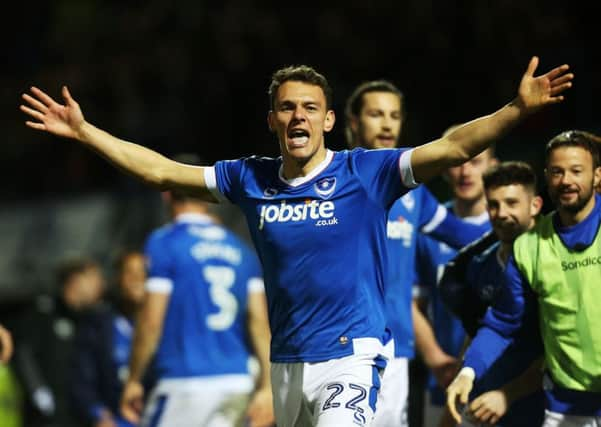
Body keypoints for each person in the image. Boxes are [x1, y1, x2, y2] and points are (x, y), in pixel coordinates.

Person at [21, 56, 572, 426]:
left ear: (330, 119)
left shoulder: (366, 172)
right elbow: (162, 172)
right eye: (287, 107)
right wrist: (86, 132)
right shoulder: (251, 178)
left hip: (351, 358)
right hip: (286, 362)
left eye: (309, 107)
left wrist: (516, 111)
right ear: (272, 120)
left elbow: (451, 147)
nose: (298, 116)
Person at [344, 80, 489, 427]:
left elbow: (464, 235)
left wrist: (530, 230)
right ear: (352, 122)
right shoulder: (334, 179)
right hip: (342, 347)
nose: (387, 124)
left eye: (394, 115)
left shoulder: (412, 192)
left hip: (394, 351)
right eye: (376, 114)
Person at [447, 130, 601, 427]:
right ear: (547, 176)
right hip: (565, 406)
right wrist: (468, 373)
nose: (566, 180)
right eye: (557, 172)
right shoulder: (529, 246)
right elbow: (504, 324)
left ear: (596, 177)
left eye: (576, 171)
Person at [119, 158, 274, 427]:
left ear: (166, 193)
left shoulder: (165, 242)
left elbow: (151, 320)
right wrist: (267, 386)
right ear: (207, 195)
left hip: (184, 383)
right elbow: (259, 323)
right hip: (236, 382)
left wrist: (133, 378)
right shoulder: (241, 251)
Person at [439, 161, 546, 426]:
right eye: (494, 205)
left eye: (512, 203)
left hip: (547, 405)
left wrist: (508, 394)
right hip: (490, 403)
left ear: (535, 205)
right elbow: (483, 328)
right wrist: (465, 374)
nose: (502, 213)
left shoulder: (555, 257)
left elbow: (562, 346)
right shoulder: (478, 265)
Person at [413, 141, 496, 427]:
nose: (466, 172)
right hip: (442, 380)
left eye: (476, 162)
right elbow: (410, 302)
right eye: (458, 162)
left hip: (496, 385)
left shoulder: (510, 229)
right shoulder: (427, 231)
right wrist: (436, 359)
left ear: (493, 167)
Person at [14, 256, 106, 427]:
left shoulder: (92, 321)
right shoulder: (43, 312)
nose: (100, 285)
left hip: (79, 416)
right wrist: (37, 391)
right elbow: (23, 354)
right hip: (46, 417)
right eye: (93, 278)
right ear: (75, 280)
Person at [70, 249, 147, 427]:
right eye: (130, 273)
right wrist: (97, 415)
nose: (137, 279)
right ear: (118, 279)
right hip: (117, 419)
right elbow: (82, 378)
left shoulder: (169, 323)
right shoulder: (98, 324)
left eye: (143, 273)